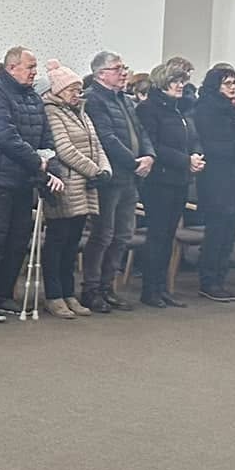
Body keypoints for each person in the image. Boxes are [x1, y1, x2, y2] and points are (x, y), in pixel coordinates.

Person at [0, 47, 60, 321]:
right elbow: (3, 134)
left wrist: (48, 157)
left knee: (18, 240)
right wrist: (36, 160)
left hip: (23, 178)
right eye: (30, 67)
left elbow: (45, 133)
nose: (35, 72)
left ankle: (3, 293)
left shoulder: (31, 95)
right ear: (12, 67)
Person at [81, 52, 150, 312]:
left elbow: (141, 131)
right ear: (101, 74)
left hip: (130, 178)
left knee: (122, 235)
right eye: (117, 68)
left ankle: (108, 287)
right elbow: (106, 138)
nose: (124, 73)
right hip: (109, 178)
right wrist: (134, 162)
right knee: (103, 235)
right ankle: (91, 289)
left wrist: (149, 156)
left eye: (124, 67)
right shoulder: (93, 99)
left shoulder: (125, 99)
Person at [40, 62, 108, 318]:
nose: (77, 94)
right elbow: (64, 149)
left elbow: (96, 143)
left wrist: (105, 169)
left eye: (79, 90)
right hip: (65, 185)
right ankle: (54, 296)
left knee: (72, 243)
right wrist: (94, 171)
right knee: (57, 241)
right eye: (72, 90)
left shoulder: (80, 111)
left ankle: (69, 293)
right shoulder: (51, 111)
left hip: (86, 185)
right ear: (58, 90)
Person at [189, 64, 235, 302]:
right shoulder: (205, 108)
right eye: (228, 84)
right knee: (217, 230)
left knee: (230, 229)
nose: (233, 88)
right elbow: (210, 143)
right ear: (215, 86)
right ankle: (209, 281)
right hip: (217, 177)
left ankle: (220, 279)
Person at [132, 64, 201, 307]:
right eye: (175, 81)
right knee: (157, 235)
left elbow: (190, 138)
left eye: (182, 81)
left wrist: (195, 155)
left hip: (179, 179)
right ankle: (150, 290)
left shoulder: (179, 109)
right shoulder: (148, 109)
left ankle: (162, 288)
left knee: (169, 235)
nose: (180, 85)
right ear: (162, 83)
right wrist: (185, 160)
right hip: (158, 181)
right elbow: (153, 145)